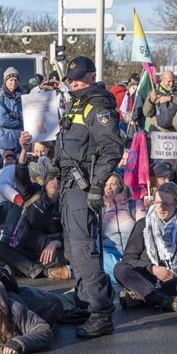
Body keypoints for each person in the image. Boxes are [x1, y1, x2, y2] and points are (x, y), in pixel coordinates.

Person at [55, 55, 123, 338]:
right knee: (73, 249)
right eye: (71, 79)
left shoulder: (97, 105)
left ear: (92, 76)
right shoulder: (76, 103)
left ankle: (100, 313)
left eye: (79, 79)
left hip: (83, 186)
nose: (74, 83)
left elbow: (111, 147)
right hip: (69, 184)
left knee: (84, 250)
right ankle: (84, 302)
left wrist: (97, 185)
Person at [115, 182, 177, 315]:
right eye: (157, 203)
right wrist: (153, 269)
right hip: (148, 275)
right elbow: (129, 259)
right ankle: (164, 300)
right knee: (120, 269)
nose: (161, 208)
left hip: (175, 278)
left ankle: (143, 296)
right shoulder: (143, 225)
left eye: (166, 204)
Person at [0, 131, 67, 280]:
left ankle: (27, 269)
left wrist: (56, 243)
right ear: (44, 181)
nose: (54, 184)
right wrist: (24, 150)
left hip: (51, 252)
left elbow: (71, 233)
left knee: (69, 254)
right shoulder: (33, 194)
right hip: (27, 249)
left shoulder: (66, 202)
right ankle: (41, 271)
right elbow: (21, 176)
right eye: (51, 179)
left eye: (58, 180)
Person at [102, 173, 146, 282]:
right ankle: (126, 276)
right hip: (110, 253)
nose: (109, 188)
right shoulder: (99, 208)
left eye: (113, 184)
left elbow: (144, 229)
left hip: (132, 253)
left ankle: (124, 276)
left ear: (121, 186)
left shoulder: (135, 205)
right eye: (106, 185)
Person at [0, 67, 24, 155]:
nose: (13, 83)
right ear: (5, 81)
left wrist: (16, 115)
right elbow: (2, 119)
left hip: (19, 142)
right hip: (3, 142)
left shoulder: (22, 96)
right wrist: (21, 122)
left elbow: (26, 114)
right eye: (11, 80)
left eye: (16, 80)